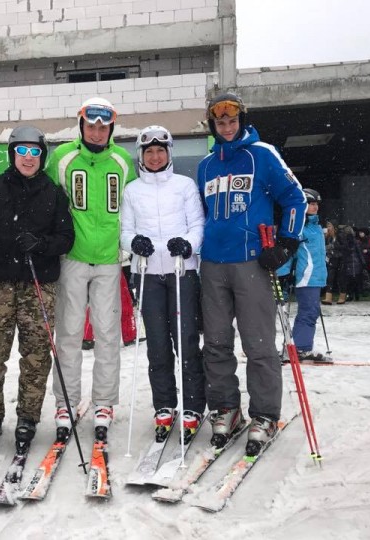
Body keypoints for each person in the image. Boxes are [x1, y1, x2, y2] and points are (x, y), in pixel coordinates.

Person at [196, 93, 307, 454]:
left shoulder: (262, 154)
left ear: (241, 121)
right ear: (213, 126)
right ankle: (226, 408)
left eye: (232, 121)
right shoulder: (206, 166)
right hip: (212, 263)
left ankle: (265, 414)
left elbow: (295, 198)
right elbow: (203, 214)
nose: (227, 127)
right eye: (220, 122)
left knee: (258, 342)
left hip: (252, 263)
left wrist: (286, 243)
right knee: (215, 341)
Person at [0, 125, 75, 458]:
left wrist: (41, 244)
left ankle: (28, 417)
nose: (28, 158)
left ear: (42, 155)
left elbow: (66, 238)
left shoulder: (53, 193)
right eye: (22, 151)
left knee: (36, 355)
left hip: (37, 284)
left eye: (35, 152)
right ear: (12, 154)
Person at [45, 97, 137, 438]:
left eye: (103, 127)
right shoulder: (63, 157)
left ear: (110, 129)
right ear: (81, 125)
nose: (97, 133)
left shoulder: (122, 160)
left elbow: (132, 208)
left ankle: (104, 402)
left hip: (109, 260)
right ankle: (65, 402)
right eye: (91, 126)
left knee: (107, 334)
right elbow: (47, 202)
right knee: (69, 333)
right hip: (72, 258)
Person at [120, 125, 206, 441]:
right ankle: (164, 405)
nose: (155, 157)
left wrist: (188, 244)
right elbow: (125, 230)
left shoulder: (184, 186)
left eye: (160, 151)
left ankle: (193, 406)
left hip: (181, 272)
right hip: (147, 274)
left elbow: (198, 224)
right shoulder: (132, 190)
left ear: (169, 153)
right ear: (141, 156)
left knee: (186, 341)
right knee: (157, 344)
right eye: (149, 152)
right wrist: (134, 243)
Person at [279, 188, 328, 361]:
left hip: (317, 276)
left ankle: (299, 346)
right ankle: (300, 348)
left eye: (316, 204)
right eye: (310, 204)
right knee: (309, 312)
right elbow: (289, 251)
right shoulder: (299, 227)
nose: (315, 207)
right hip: (306, 276)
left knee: (310, 312)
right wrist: (283, 274)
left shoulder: (317, 227)